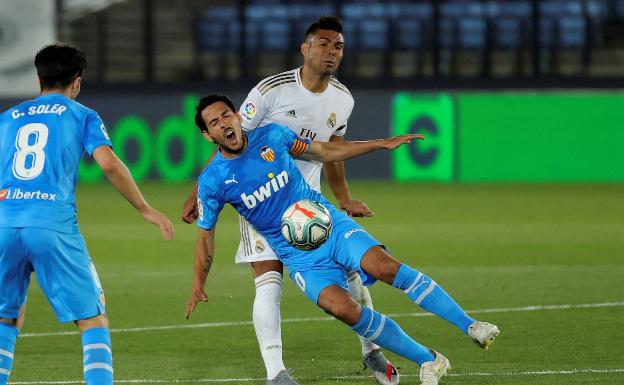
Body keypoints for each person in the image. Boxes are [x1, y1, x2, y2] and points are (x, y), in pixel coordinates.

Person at [185, 94, 500, 385]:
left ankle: (470, 325)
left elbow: (324, 151)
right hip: (297, 255)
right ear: (207, 135)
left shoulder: (273, 136)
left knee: (384, 267)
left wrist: (379, 143)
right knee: (343, 308)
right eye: (214, 122)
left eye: (226, 115)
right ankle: (430, 360)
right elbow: (205, 239)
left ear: (238, 115)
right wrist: (199, 283)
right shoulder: (213, 181)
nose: (224, 123)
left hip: (329, 224)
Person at [180, 16, 397, 385]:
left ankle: (372, 350)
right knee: (268, 281)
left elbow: (332, 151)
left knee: (348, 275)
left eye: (338, 46)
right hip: (259, 203)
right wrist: (198, 191)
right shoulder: (270, 90)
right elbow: (229, 142)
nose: (331, 51)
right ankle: (276, 373)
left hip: (307, 200)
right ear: (306, 47)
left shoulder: (343, 99)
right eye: (324, 44)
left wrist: (343, 197)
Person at [0, 44, 175, 385]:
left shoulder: (7, 118)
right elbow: (108, 163)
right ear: (76, 82)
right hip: (52, 223)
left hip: (4, 222)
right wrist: (145, 208)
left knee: (6, 318)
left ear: (39, 78)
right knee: (93, 319)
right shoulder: (82, 115)